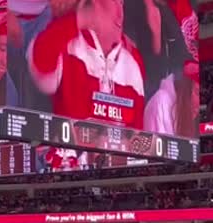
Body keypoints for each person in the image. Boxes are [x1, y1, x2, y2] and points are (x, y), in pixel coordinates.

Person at [27, 0, 146, 129]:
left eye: (122, 3)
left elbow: (137, 136)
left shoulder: (132, 60)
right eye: (114, 1)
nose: (120, 13)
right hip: (70, 146)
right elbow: (41, 63)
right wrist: (82, 18)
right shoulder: (69, 44)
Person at [144, 60, 199, 137]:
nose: (198, 103)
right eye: (197, 92)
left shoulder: (183, 112)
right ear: (186, 89)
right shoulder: (161, 102)